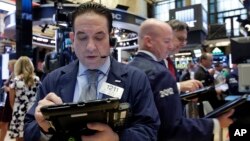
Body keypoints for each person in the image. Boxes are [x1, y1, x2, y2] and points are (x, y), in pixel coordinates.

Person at [24, 2, 159, 141]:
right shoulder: (53, 80)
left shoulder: (135, 79)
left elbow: (149, 131)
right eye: (82, 37)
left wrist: (117, 139)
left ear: (110, 38)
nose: (90, 47)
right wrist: (43, 129)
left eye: (99, 37)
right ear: (72, 39)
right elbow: (28, 129)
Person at [129, 18, 234, 141]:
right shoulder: (160, 73)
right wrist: (215, 124)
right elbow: (171, 127)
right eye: (167, 41)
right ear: (149, 41)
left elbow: (151, 105)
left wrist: (182, 96)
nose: (170, 46)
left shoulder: (128, 69)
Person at [8, 56, 40, 141]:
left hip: (19, 110)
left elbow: (11, 100)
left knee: (19, 137)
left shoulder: (15, 80)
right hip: (32, 110)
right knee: (31, 135)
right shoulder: (37, 80)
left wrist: (15, 109)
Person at [0, 59, 16, 141]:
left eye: (9, 66)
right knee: (4, 122)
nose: (7, 68)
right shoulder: (12, 75)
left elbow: (15, 90)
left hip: (12, 101)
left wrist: (7, 88)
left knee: (5, 122)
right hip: (9, 100)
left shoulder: (16, 76)